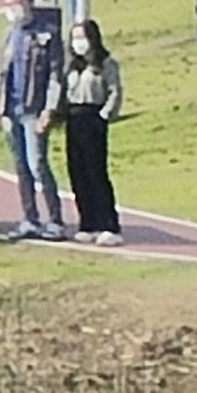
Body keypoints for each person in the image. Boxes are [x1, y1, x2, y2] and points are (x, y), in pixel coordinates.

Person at [0, 0, 68, 238]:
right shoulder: (8, 35)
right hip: (11, 110)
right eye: (7, 5)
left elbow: (56, 75)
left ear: (28, 4)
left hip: (34, 110)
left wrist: (50, 110)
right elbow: (0, 75)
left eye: (16, 4)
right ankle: (29, 219)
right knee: (20, 166)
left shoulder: (47, 35)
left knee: (38, 164)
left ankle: (55, 219)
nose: (11, 10)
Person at [56, 15, 125, 246]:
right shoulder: (72, 66)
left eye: (82, 37)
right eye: (74, 38)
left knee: (96, 172)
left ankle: (108, 224)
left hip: (93, 117)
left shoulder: (105, 64)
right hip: (73, 118)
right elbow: (62, 91)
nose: (78, 42)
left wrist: (104, 115)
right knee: (78, 172)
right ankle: (88, 222)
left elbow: (114, 91)